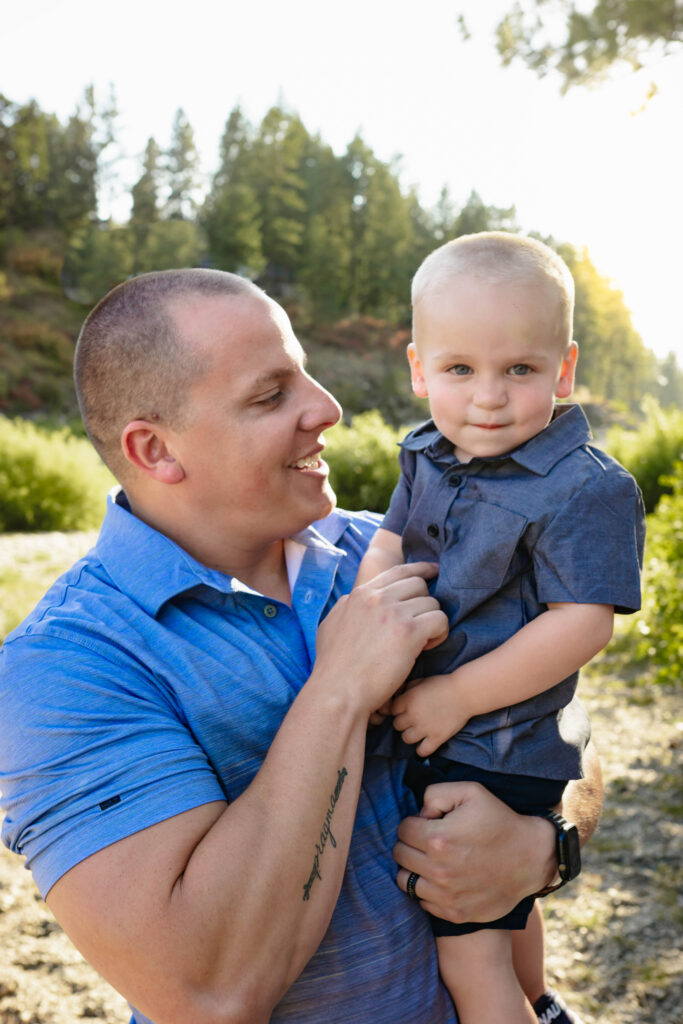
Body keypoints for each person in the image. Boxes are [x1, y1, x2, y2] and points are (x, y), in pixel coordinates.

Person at [0, 268, 604, 1024]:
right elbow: (208, 993)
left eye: (306, 376)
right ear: (155, 450)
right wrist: (340, 688)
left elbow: (563, 727)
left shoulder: (399, 548)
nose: (327, 407)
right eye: (270, 394)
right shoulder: (62, 670)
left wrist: (545, 841)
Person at [355, 233, 645, 1024]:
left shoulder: (584, 487)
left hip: (499, 737)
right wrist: (367, 612)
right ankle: (541, 1001)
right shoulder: (427, 453)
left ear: (563, 367)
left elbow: (581, 625)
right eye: (459, 370)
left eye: (518, 369)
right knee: (502, 911)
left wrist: (453, 696)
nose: (487, 397)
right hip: (451, 731)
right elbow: (389, 538)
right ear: (419, 369)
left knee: (466, 956)